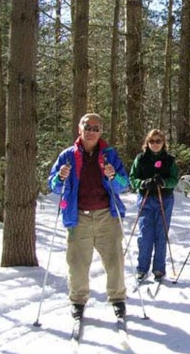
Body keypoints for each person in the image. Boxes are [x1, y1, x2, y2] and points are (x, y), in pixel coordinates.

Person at [47, 113, 130, 320]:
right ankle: (78, 301)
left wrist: (113, 175)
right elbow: (54, 186)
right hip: (79, 217)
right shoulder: (67, 156)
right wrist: (60, 177)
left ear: (101, 131)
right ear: (79, 129)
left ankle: (118, 299)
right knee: (77, 263)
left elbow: (123, 184)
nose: (91, 131)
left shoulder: (109, 155)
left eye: (96, 128)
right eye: (88, 127)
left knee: (115, 261)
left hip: (106, 216)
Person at [129, 129, 179, 283]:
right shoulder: (141, 158)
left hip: (164, 199)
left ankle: (159, 268)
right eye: (152, 141)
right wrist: (142, 183)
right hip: (145, 199)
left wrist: (164, 183)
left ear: (163, 143)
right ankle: (142, 268)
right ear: (147, 143)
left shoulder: (169, 160)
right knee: (145, 235)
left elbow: (174, 179)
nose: (155, 144)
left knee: (161, 234)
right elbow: (132, 178)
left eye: (158, 141)